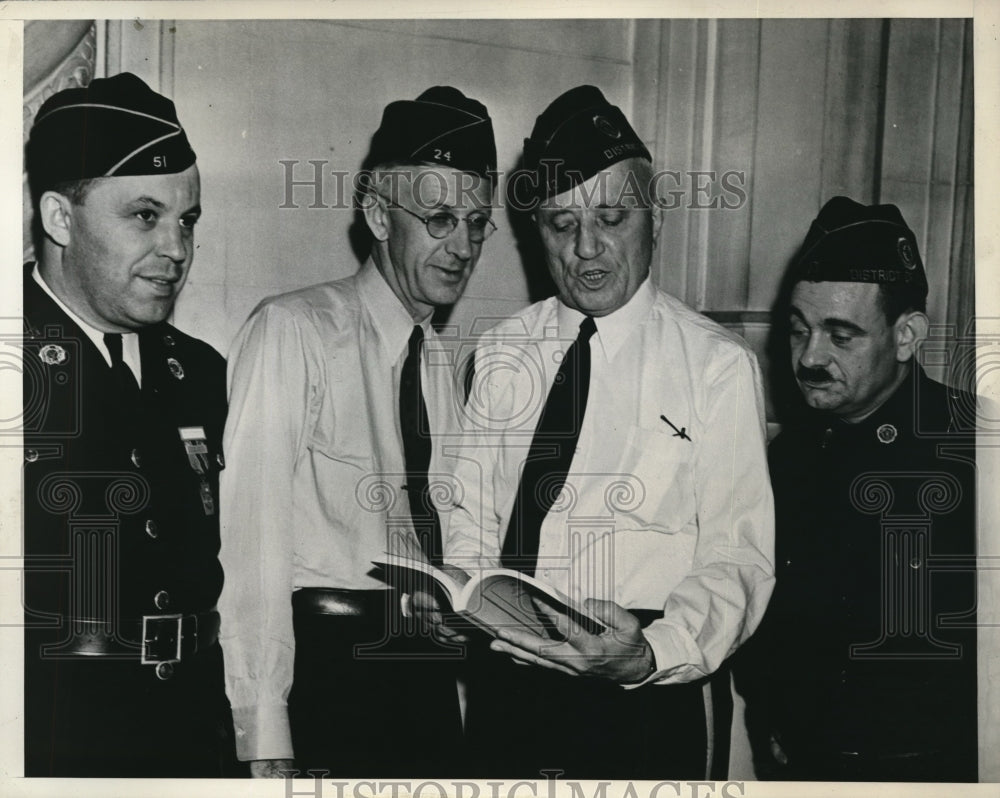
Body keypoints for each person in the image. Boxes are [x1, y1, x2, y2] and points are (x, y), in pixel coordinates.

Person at [429, 85, 775, 779]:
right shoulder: (500, 352)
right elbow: (467, 509)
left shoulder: (716, 366)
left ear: (655, 219)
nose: (586, 248)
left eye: (611, 217)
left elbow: (739, 555)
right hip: (511, 688)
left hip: (641, 691)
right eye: (560, 225)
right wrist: (463, 597)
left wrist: (652, 650)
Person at [218, 86, 498, 778]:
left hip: (423, 679)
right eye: (438, 218)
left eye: (476, 222)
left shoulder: (437, 362)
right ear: (378, 214)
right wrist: (264, 728)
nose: (461, 246)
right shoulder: (294, 332)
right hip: (325, 674)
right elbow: (250, 545)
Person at [21, 72, 235, 776]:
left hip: (191, 732)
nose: (177, 249)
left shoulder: (198, 374)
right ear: (59, 218)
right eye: (145, 216)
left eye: (188, 220)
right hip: (55, 738)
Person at [736, 196, 979, 781]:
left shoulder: (980, 448)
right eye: (798, 331)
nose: (809, 357)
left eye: (841, 336)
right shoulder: (789, 454)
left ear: (907, 335)